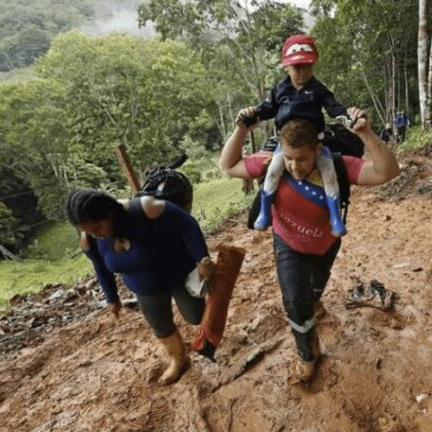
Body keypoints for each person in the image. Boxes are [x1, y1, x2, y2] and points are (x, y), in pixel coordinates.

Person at [219, 106, 400, 383]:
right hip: (287, 244)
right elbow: (228, 166)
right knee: (294, 301)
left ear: (317, 149)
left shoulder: (338, 166)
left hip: (326, 246)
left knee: (314, 290)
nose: (295, 166)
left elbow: (387, 171)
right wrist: (242, 128)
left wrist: (366, 134)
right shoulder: (271, 164)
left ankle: (314, 302)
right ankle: (307, 353)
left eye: (302, 158)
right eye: (289, 158)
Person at [65, 190, 215, 385]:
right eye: (89, 231)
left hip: (179, 274)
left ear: (108, 213)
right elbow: (101, 268)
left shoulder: (145, 208)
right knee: (160, 326)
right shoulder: (90, 240)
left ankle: (209, 335)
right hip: (145, 288)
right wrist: (112, 298)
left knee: (195, 316)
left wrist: (202, 258)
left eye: (98, 227)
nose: (97, 235)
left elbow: (188, 224)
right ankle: (178, 358)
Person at [239, 34, 349, 237]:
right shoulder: (280, 89)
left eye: (308, 66)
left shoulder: (317, 88)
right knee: (272, 171)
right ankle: (264, 213)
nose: (303, 71)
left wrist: (346, 117)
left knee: (329, 173)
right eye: (297, 67)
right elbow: (267, 109)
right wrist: (252, 113)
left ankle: (335, 217)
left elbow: (333, 106)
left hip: (314, 144)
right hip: (287, 145)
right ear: (286, 67)